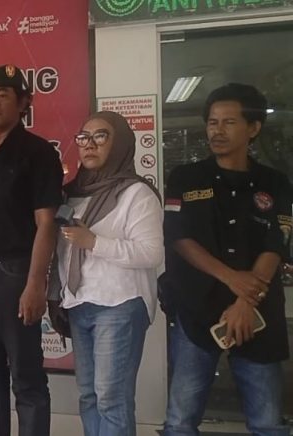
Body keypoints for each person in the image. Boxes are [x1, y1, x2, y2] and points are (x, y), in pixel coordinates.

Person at [161, 83, 292, 435]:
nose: (217, 131)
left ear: (253, 128)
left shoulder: (275, 182)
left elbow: (276, 243)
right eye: (212, 122)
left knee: (268, 422)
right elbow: (178, 238)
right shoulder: (186, 178)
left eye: (229, 122)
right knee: (180, 421)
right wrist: (232, 278)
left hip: (257, 314)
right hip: (197, 309)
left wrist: (246, 301)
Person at [0, 64, 63, 436]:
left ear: (22, 103)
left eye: (2, 95)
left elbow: (46, 223)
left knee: (26, 375)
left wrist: (36, 284)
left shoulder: (38, 153)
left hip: (15, 273)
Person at [50, 111, 163, 436]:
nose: (89, 144)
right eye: (83, 137)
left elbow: (152, 253)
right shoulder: (71, 193)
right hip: (79, 304)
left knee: (111, 397)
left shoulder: (136, 193)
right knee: (89, 395)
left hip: (119, 305)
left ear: (121, 143)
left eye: (101, 136)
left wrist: (94, 242)